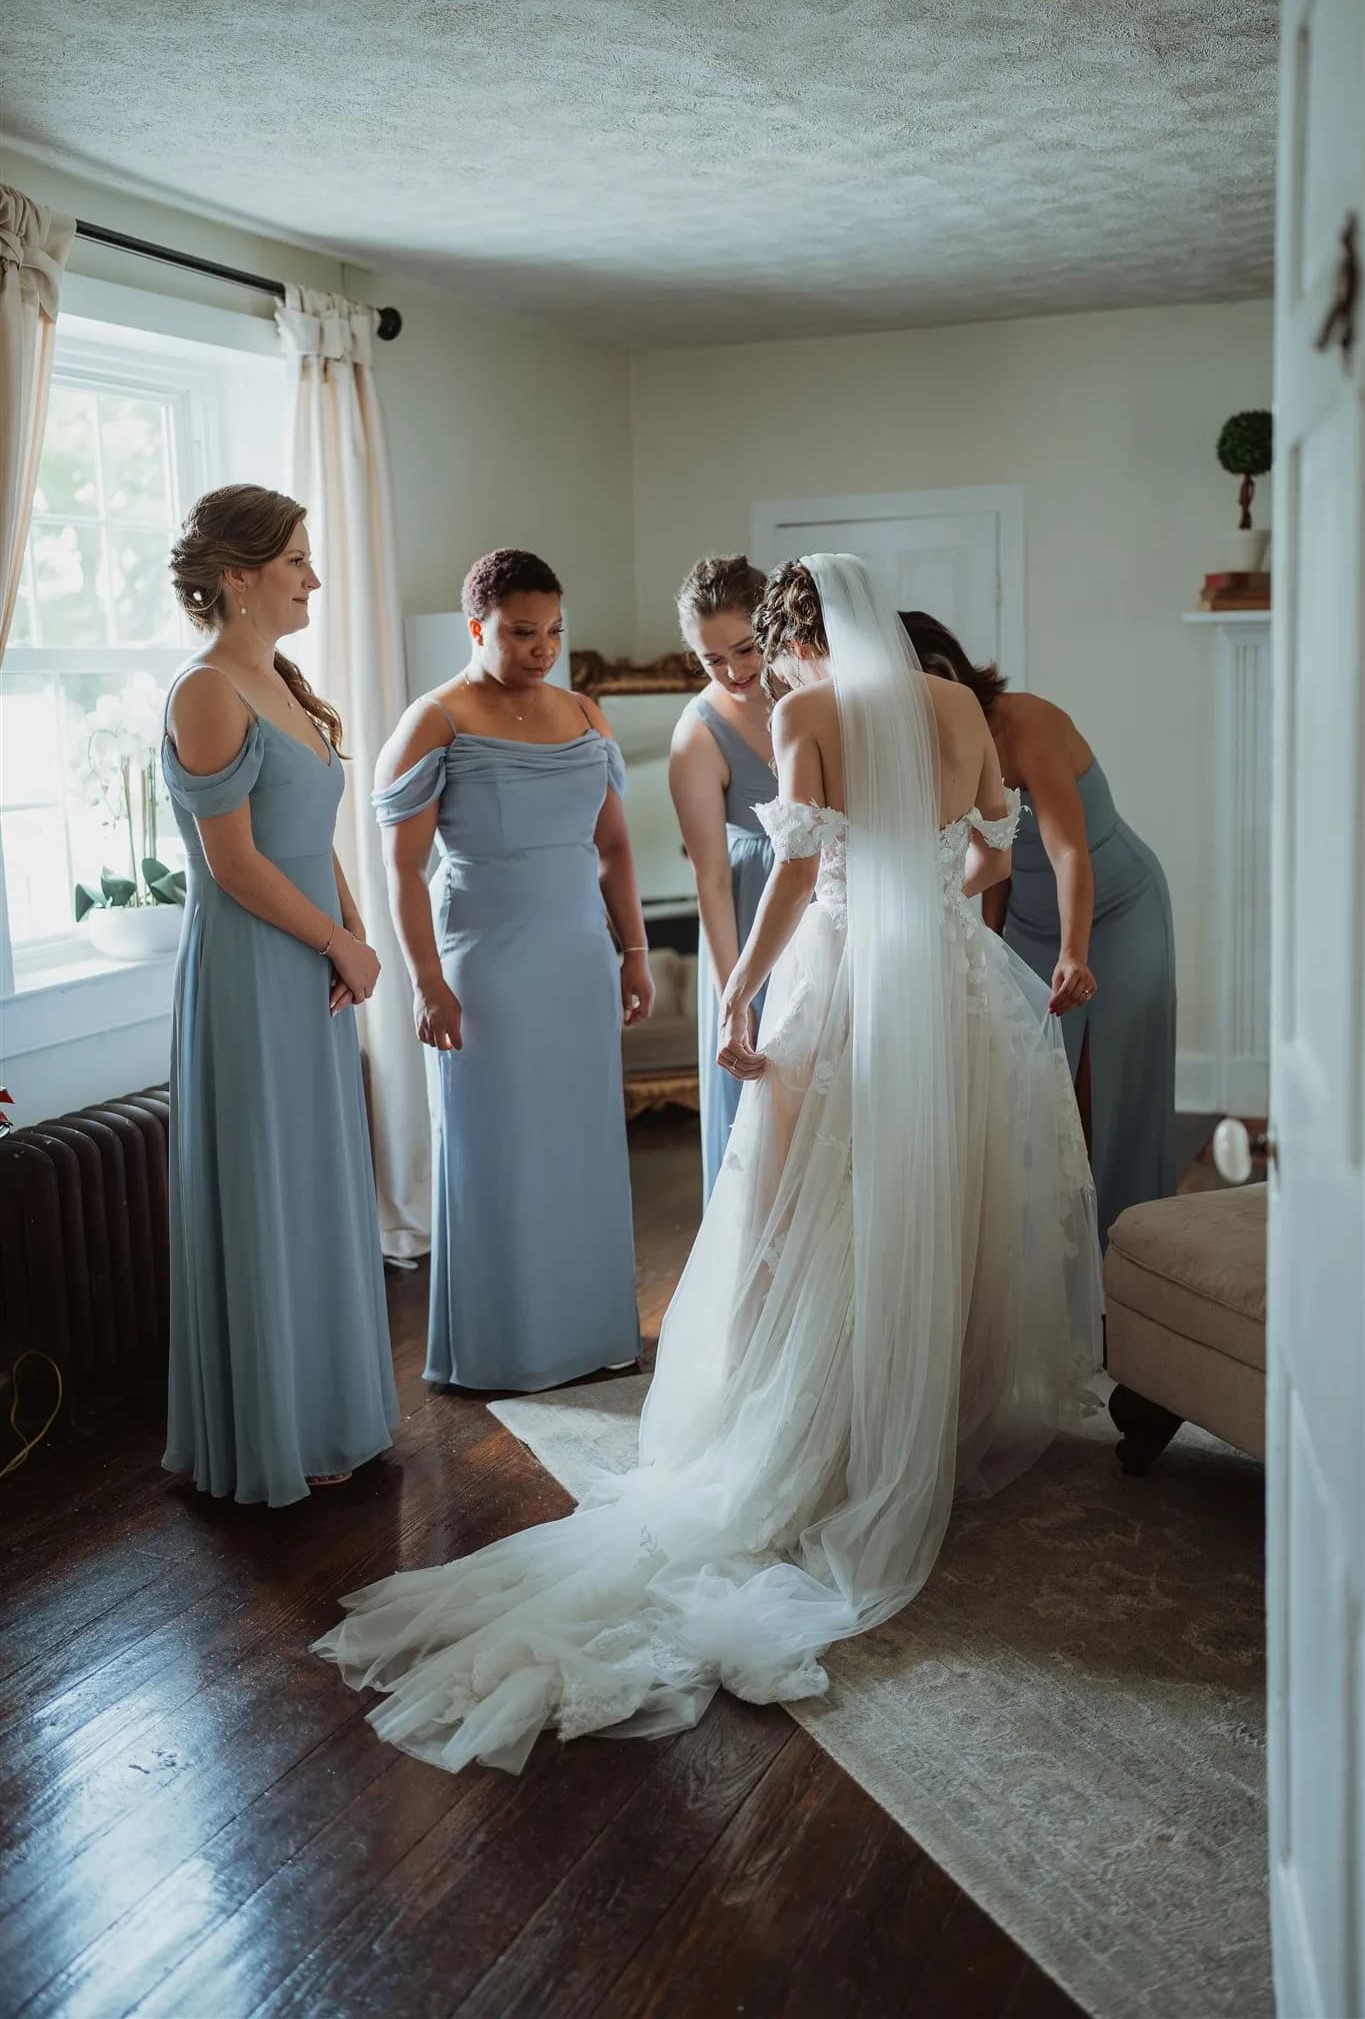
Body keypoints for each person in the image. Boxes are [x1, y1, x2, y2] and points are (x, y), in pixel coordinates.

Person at [314, 553, 1101, 1773]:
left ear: (792, 642)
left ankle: (828, 1432)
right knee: (944, 1196)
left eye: (764, 653)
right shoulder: (952, 703)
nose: (758, 674)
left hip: (845, 979)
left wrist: (736, 988)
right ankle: (932, 1422)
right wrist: (925, 893)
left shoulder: (806, 711)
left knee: (804, 1207)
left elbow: (792, 869)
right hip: (951, 990)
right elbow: (996, 856)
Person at [162, 485, 398, 1506]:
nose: (313, 576)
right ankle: (277, 1422)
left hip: (307, 957)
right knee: (273, 1185)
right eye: (297, 559)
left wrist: (353, 936)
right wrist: (336, 938)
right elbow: (234, 865)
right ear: (239, 576)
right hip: (253, 964)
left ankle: (332, 1400)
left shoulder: (281, 680)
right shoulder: (206, 689)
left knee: (316, 1179)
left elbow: (315, 836)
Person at [371, 549, 651, 1393]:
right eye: (521, 631)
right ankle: (505, 1345)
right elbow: (401, 871)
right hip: (485, 967)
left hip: (576, 960)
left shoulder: (584, 714)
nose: (542, 647)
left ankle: (592, 1332)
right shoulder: (436, 721)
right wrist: (425, 980)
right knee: (498, 1150)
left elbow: (613, 848)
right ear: (477, 628)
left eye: (553, 630)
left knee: (582, 1146)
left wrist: (633, 951)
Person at [900, 611, 1176, 1247]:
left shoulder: (1028, 724)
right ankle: (1052, 1258)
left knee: (1101, 1084)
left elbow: (1068, 854)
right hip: (1028, 913)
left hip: (1116, 908)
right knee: (1031, 1087)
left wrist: (1075, 954)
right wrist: (992, 946)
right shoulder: (933, 742)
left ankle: (1126, 1250)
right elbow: (992, 857)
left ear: (945, 672)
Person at [669, 554, 778, 1196]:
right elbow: (710, 881)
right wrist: (734, 997)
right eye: (712, 660)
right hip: (751, 918)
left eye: (744, 649)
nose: (734, 672)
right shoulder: (698, 735)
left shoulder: (819, 694)